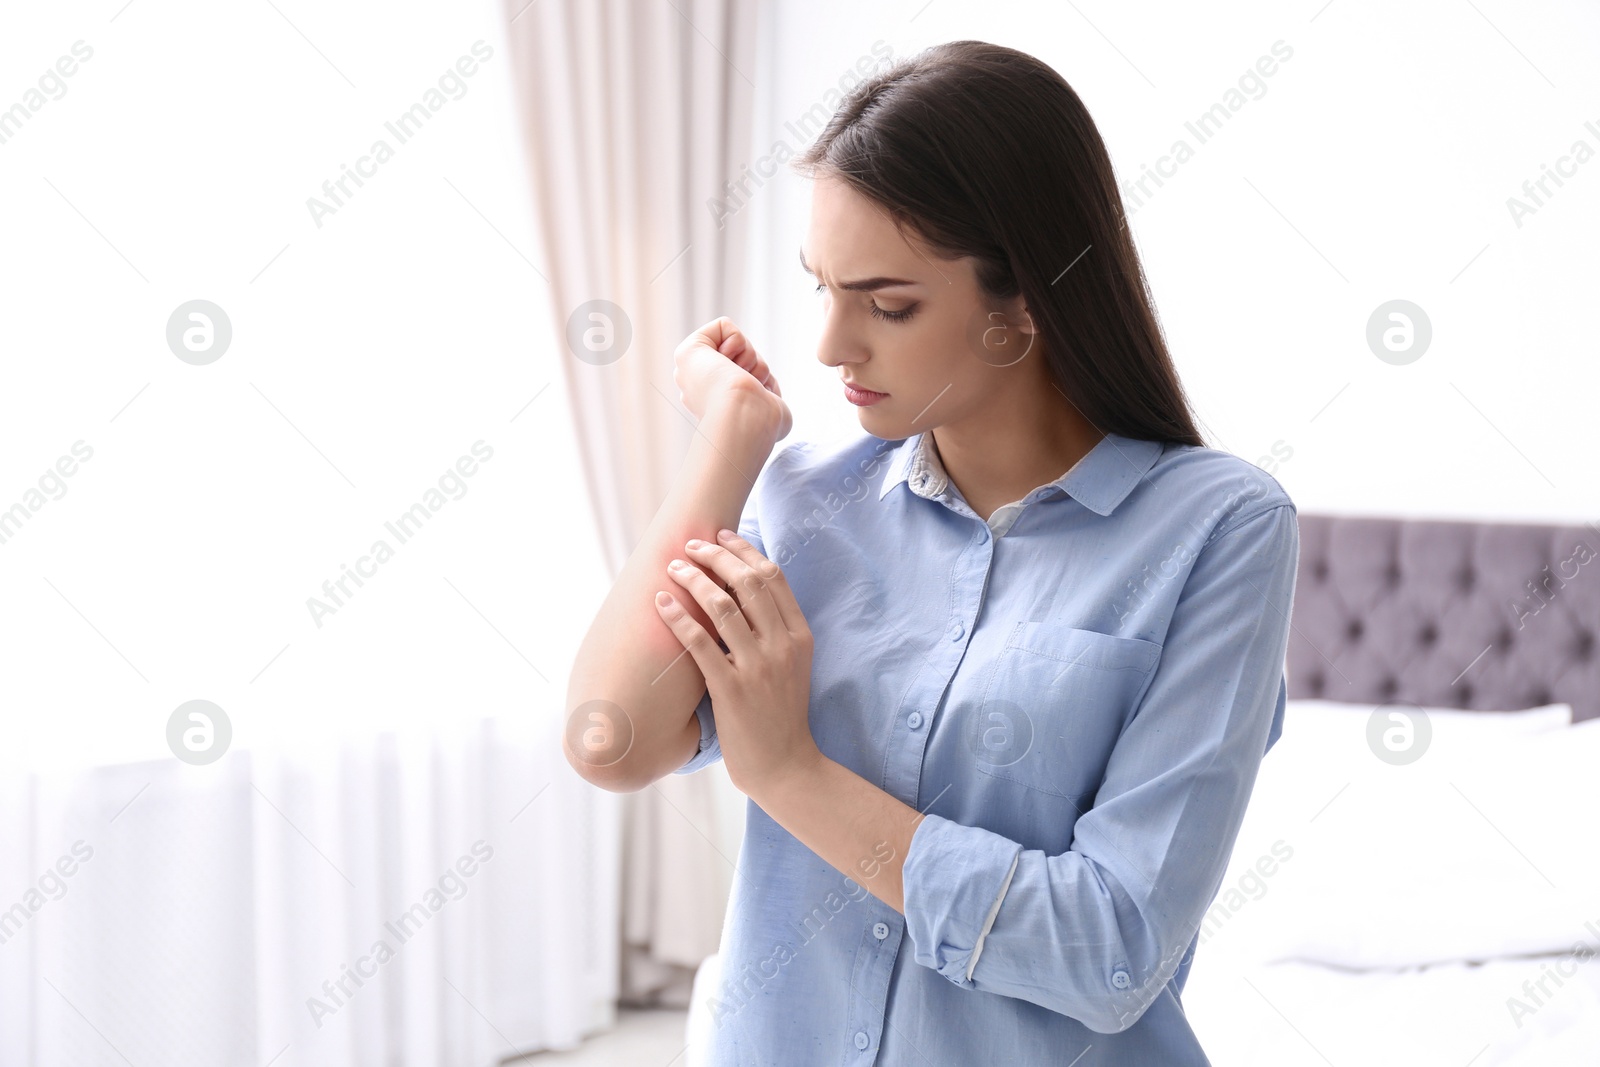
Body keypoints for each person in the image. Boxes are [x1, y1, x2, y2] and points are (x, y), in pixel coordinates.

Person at [566, 39, 1298, 1066]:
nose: (830, 346)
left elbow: (1111, 950)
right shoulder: (802, 491)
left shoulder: (1217, 529)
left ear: (1025, 303)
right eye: (821, 288)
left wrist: (786, 771)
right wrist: (732, 433)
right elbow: (610, 739)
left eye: (887, 303)